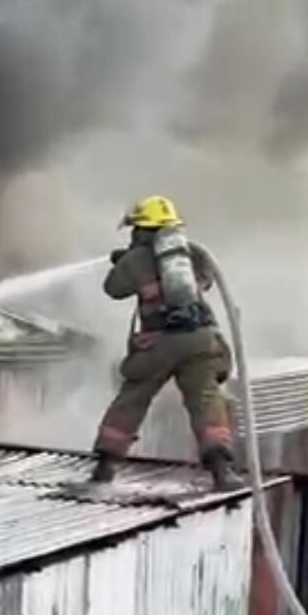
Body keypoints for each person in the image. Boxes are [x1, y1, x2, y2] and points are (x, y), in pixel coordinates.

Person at [89, 196, 241, 491]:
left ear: (143, 230)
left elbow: (113, 289)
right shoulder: (193, 253)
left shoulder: (135, 260)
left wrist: (126, 262)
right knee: (207, 401)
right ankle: (223, 473)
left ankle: (104, 470)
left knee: (132, 398)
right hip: (201, 340)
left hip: (159, 344)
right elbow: (206, 282)